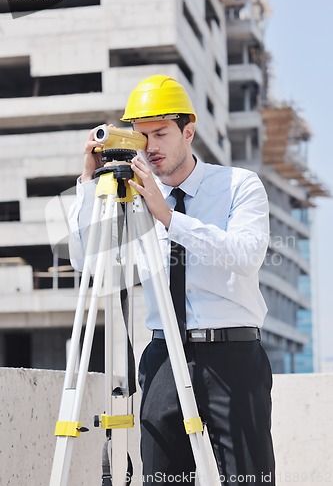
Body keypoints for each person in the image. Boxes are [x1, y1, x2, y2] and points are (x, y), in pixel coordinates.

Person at [68, 75, 275, 485]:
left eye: (161, 133)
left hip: (232, 357)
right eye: (142, 136)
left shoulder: (238, 185)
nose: (151, 147)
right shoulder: (133, 196)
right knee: (164, 479)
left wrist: (168, 217)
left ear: (189, 131)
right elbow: (88, 263)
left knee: (248, 479)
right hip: (164, 357)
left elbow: (245, 256)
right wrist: (90, 188)